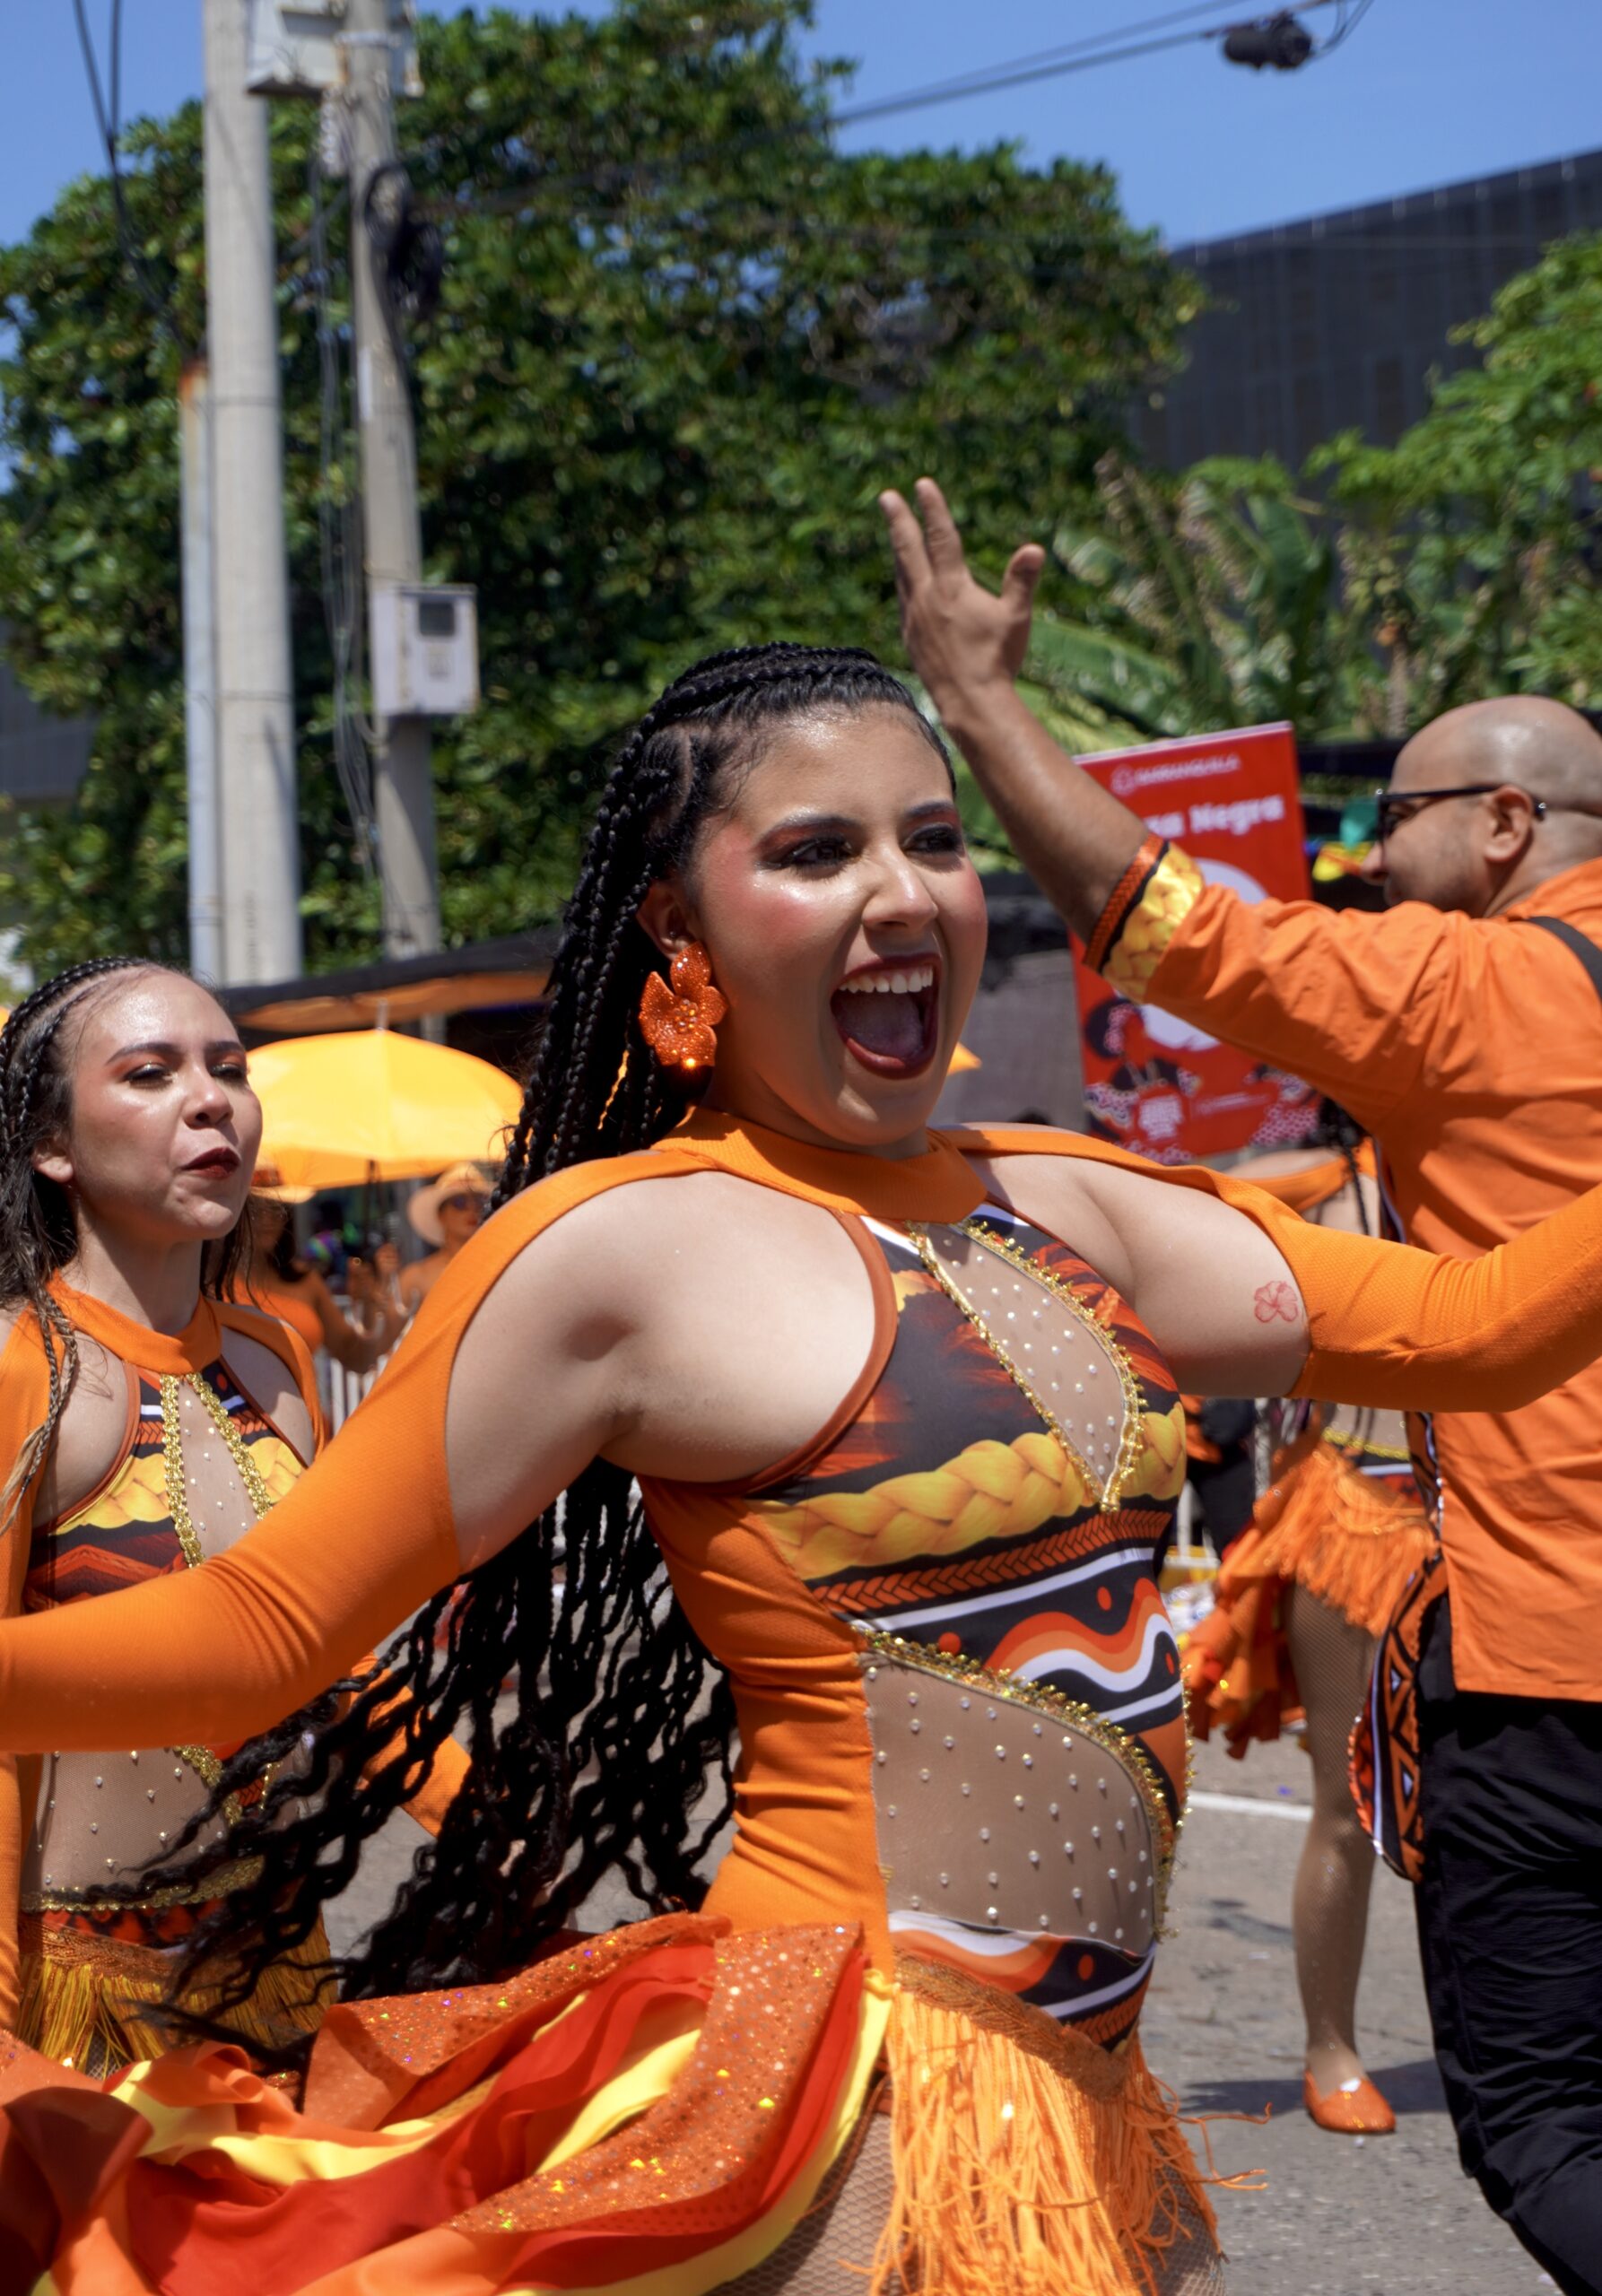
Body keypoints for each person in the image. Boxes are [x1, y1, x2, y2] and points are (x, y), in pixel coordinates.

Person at [6, 647, 1602, 2296]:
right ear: (677, 932)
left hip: (1089, 2106)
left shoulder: (1065, 1200)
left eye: (933, 839)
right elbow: (270, 1627)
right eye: (816, 852)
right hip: (859, 2106)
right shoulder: (614, 1255)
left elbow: (1473, 1329)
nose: (900, 893)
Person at [880, 477, 1602, 2293]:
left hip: (1558, 1654)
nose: (1362, 847)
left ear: (1505, 823)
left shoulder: (1485, 988)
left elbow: (1155, 917)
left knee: (1540, 2117)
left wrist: (976, 700)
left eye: (1391, 816)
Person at [0, 962, 464, 2079]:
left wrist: (485, 1820)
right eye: (149, 1074)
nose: (211, 1100)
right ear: (52, 1144)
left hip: (284, 1973)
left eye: (228, 1069)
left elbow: (326, 1652)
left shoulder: (274, 1356)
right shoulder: (22, 1368)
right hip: (82, 2011)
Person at [1180, 1119, 1432, 2135]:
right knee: (1349, 1795)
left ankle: (1507, 2042)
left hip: (1496, 1520)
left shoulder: (1506, 1180)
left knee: (1498, 1801)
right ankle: (1331, 2047)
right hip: (1356, 1513)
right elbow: (1187, 1200)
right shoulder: (1324, 1185)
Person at [240, 1187, 404, 1372]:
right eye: (255, 1208)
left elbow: (358, 1360)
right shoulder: (215, 1284)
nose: (267, 1218)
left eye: (275, 1207)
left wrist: (365, 1303)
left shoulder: (306, 1279)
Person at [397, 1161, 491, 1315]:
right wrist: (383, 1280)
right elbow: (389, 1329)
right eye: (459, 1202)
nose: (471, 1209)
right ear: (441, 1215)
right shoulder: (416, 1277)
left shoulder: (498, 1266)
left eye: (479, 1201)